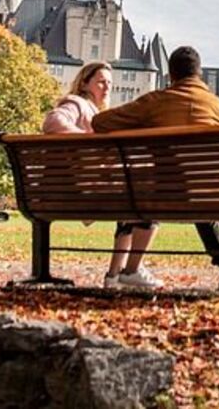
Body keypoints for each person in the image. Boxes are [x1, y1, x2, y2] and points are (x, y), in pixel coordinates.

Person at [92, 46, 219, 291]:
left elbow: (100, 122)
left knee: (191, 190)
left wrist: (144, 128)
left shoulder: (155, 103)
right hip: (218, 193)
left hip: (169, 194)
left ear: (171, 76)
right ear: (199, 75)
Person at [44, 62, 162, 289]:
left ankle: (114, 276)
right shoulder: (77, 102)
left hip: (74, 188)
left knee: (132, 202)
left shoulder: (96, 111)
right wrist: (90, 140)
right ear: (85, 83)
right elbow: (53, 121)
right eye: (100, 82)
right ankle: (128, 271)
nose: (107, 87)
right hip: (78, 192)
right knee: (142, 201)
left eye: (109, 83)